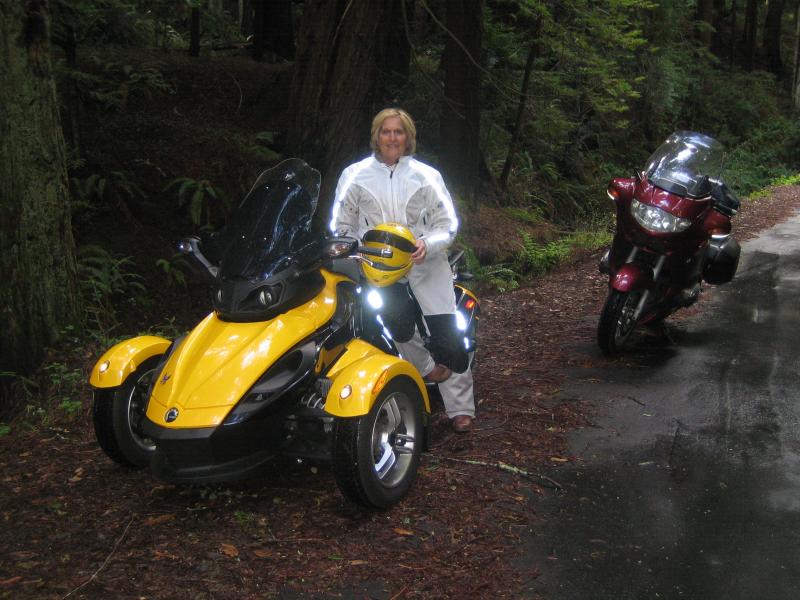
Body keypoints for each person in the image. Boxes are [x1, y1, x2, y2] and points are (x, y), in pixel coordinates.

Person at [330, 108, 475, 433]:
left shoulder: (426, 175)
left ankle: (461, 408)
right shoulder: (354, 174)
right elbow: (341, 223)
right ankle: (424, 370)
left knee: (447, 331)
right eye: (386, 132)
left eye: (398, 132)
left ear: (408, 137)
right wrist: (351, 249)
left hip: (425, 262)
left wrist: (430, 244)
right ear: (376, 136)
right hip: (380, 266)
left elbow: (447, 223)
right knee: (396, 325)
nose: (392, 138)